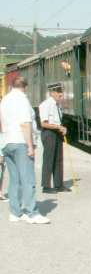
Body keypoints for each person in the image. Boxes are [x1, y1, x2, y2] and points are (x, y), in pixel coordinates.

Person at [0, 77, 48, 224]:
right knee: (28, 178)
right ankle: (32, 213)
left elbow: (2, 122)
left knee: (15, 179)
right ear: (25, 87)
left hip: (7, 142)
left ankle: (15, 212)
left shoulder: (5, 100)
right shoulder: (22, 100)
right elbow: (25, 124)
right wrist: (30, 146)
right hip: (20, 141)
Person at [39, 82, 70, 194]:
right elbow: (43, 123)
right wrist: (59, 127)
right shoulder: (45, 105)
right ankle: (46, 186)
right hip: (49, 133)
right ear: (51, 92)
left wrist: (60, 128)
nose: (61, 94)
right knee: (49, 159)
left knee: (58, 159)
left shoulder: (56, 105)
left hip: (56, 133)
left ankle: (58, 184)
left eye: (61, 91)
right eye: (58, 91)